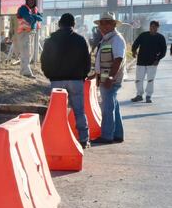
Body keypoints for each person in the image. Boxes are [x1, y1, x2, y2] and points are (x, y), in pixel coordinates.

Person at [41, 13, 92, 147]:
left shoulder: (50, 40)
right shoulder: (80, 40)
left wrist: (49, 74)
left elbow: (44, 60)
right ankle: (83, 139)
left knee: (58, 112)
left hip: (57, 81)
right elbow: (87, 60)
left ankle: (57, 139)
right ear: (73, 25)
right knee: (79, 111)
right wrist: (83, 75)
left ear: (59, 24)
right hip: (76, 81)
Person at [92, 13, 126, 145]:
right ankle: (117, 134)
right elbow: (102, 60)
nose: (103, 26)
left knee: (107, 108)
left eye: (107, 23)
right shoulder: (106, 39)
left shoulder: (116, 39)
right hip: (105, 78)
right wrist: (96, 74)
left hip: (111, 79)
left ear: (113, 24)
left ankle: (107, 136)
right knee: (113, 106)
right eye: (102, 23)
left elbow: (118, 59)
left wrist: (111, 77)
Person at [130, 20, 167, 103]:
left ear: (157, 28)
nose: (152, 28)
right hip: (141, 61)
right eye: (151, 26)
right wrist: (133, 51)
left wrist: (158, 59)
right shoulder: (143, 35)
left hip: (153, 62)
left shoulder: (160, 37)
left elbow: (163, 51)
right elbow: (136, 43)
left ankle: (148, 96)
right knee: (139, 79)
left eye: (155, 27)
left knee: (150, 80)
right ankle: (139, 95)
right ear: (149, 27)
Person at [15, 0, 43, 77]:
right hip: (24, 33)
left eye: (33, 0)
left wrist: (34, 16)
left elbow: (41, 18)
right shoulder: (23, 9)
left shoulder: (34, 9)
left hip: (31, 33)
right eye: (30, 0)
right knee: (26, 53)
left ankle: (23, 71)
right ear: (26, 1)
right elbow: (29, 19)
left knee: (30, 53)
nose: (31, 2)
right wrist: (35, 17)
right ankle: (26, 73)